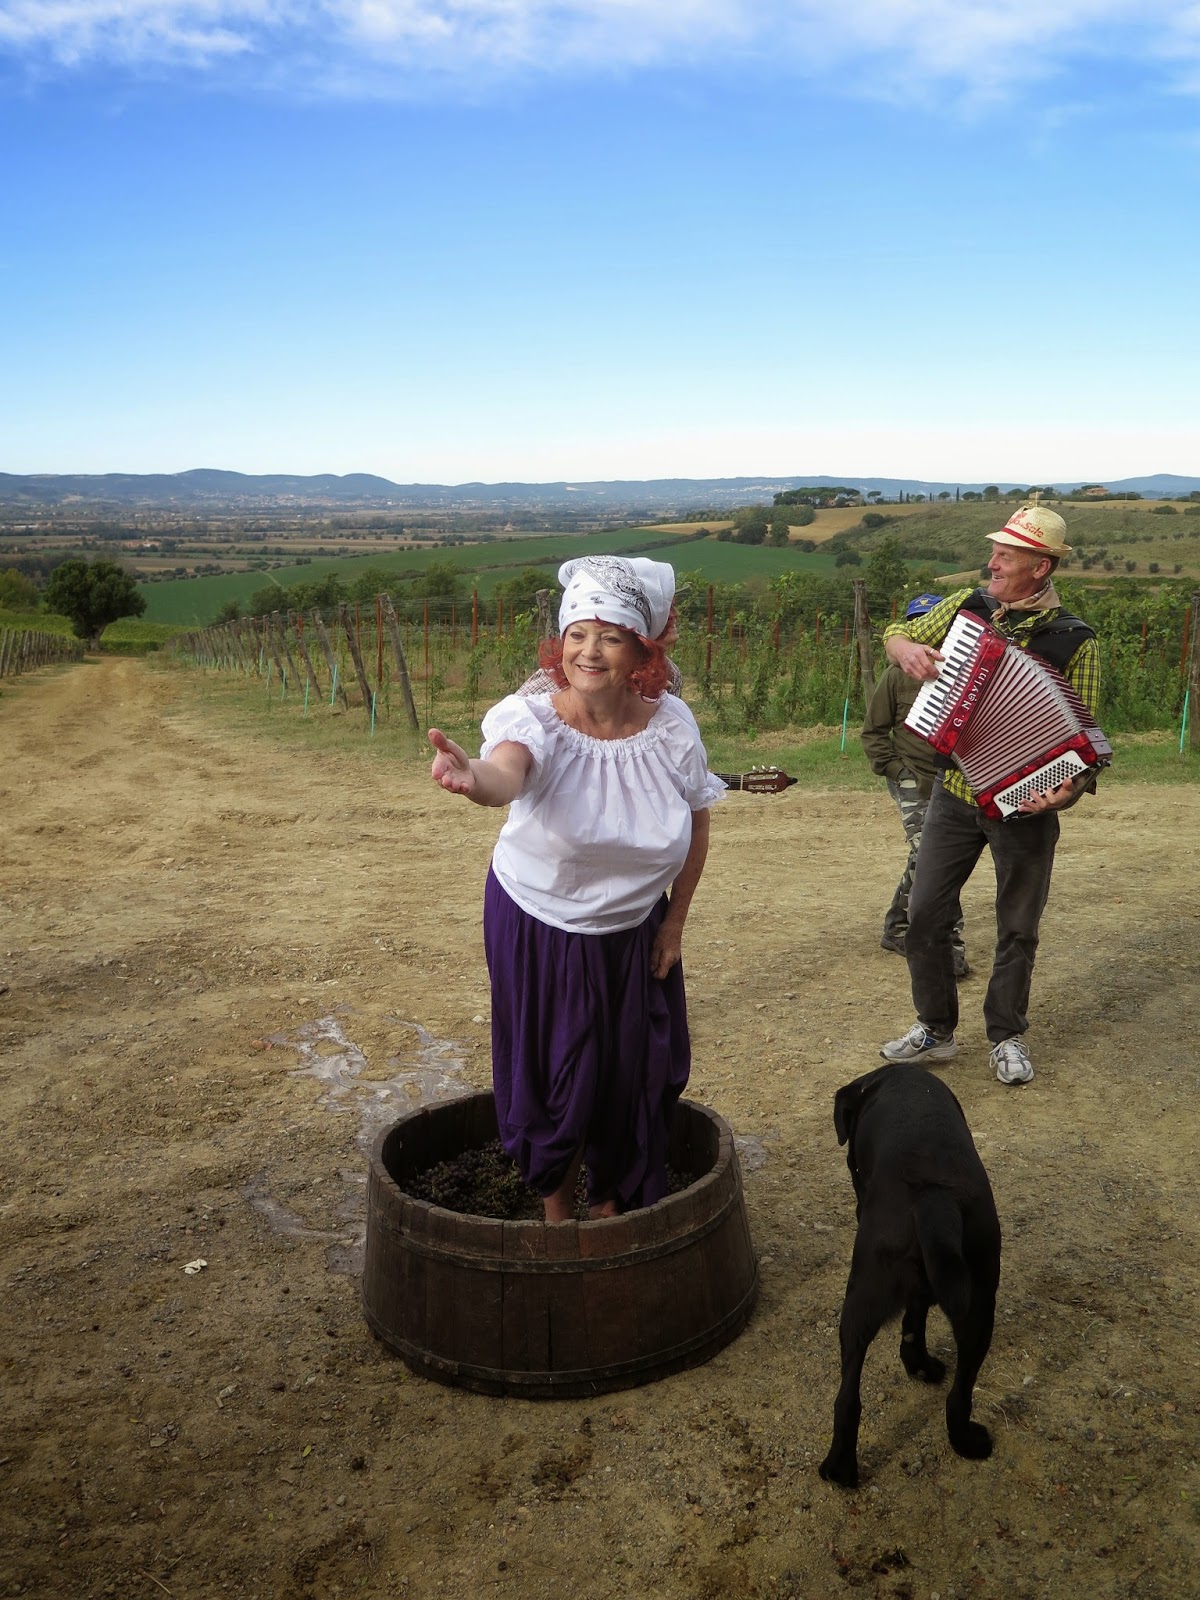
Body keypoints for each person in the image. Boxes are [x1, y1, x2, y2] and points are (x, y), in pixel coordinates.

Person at [429, 554, 724, 1219]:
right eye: (577, 634)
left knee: (633, 1072)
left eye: (610, 636)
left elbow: (698, 823)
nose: (589, 651)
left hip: (634, 931)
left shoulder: (671, 728)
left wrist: (674, 923)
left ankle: (611, 1206)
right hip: (540, 926)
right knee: (556, 1074)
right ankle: (558, 1213)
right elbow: (505, 774)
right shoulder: (534, 720)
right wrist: (473, 779)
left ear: (641, 652)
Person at [878, 505, 1101, 1085]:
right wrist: (903, 650)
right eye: (994, 553)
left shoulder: (1075, 640)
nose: (992, 563)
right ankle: (935, 1028)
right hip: (953, 790)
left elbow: (1084, 740)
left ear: (1040, 567)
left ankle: (1006, 1035)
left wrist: (1067, 792)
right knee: (924, 915)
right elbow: (897, 632)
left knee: (1017, 927)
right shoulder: (967, 606)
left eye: (1005, 556)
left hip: (1023, 802)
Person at [860, 593, 969, 978]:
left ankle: (897, 926)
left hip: (953, 783)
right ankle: (948, 945)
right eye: (916, 625)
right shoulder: (894, 677)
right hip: (912, 780)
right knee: (932, 856)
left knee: (927, 857)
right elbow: (873, 733)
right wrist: (898, 772)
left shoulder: (965, 672)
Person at [517, 557, 684, 698]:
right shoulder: (550, 687)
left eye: (611, 639)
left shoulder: (670, 677)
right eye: (577, 636)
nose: (673, 615)